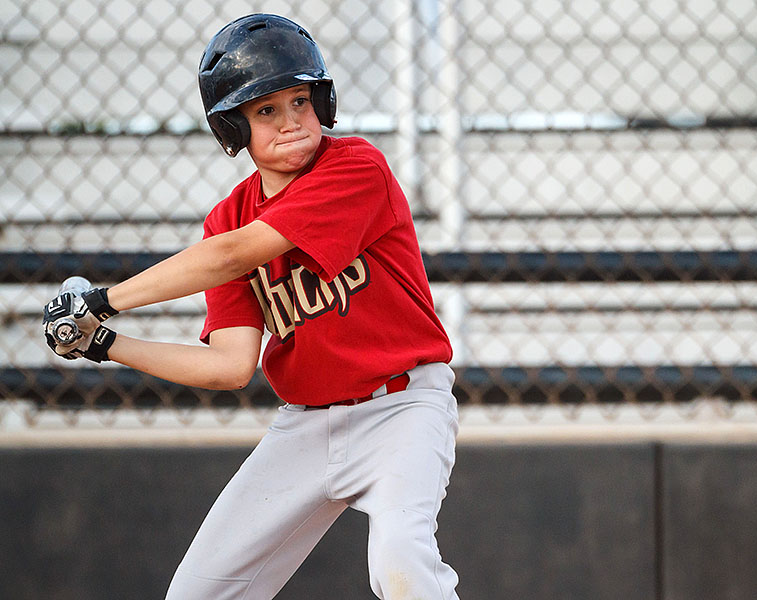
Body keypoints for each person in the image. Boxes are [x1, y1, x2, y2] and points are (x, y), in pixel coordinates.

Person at [42, 14, 460, 600]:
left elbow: (236, 254)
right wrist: (104, 343)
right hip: (307, 422)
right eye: (265, 110)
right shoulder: (226, 216)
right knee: (196, 593)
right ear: (233, 127)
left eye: (300, 100)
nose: (291, 122)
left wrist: (102, 302)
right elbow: (229, 366)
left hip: (402, 407)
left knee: (402, 561)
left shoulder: (354, 167)